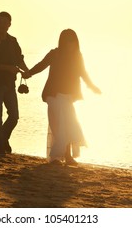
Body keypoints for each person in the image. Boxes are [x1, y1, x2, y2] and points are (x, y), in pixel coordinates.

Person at [23, 29, 101, 165]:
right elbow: (42, 65)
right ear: (62, 42)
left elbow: (83, 73)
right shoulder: (55, 54)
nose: (70, 44)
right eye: (67, 41)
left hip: (68, 96)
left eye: (73, 41)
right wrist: (29, 73)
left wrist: (92, 86)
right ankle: (60, 156)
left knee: (69, 124)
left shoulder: (77, 56)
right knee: (60, 125)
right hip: (53, 94)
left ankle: (65, 156)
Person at [0, 11, 29, 155]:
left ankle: (2, 139)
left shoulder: (13, 42)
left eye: (5, 22)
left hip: (9, 85)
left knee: (14, 116)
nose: (2, 25)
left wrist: (27, 71)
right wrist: (9, 68)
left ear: (9, 24)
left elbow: (19, 59)